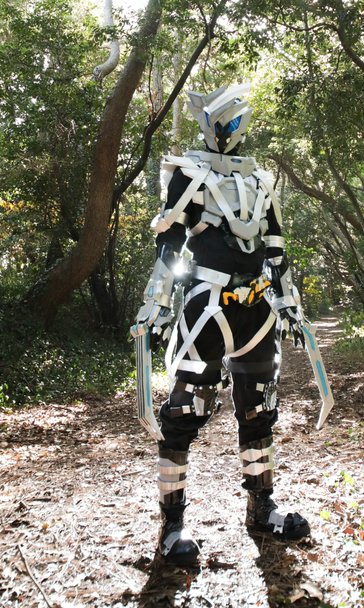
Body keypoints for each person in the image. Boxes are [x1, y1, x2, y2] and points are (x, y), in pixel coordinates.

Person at [130, 84, 311, 566]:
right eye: (219, 122)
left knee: (259, 407)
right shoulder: (187, 172)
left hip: (256, 306)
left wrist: (288, 301)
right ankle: (172, 526)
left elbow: (275, 247)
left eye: (232, 122)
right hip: (206, 303)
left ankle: (262, 506)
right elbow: (169, 244)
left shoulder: (260, 180)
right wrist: (157, 302)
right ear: (206, 123)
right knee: (185, 408)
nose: (226, 131)